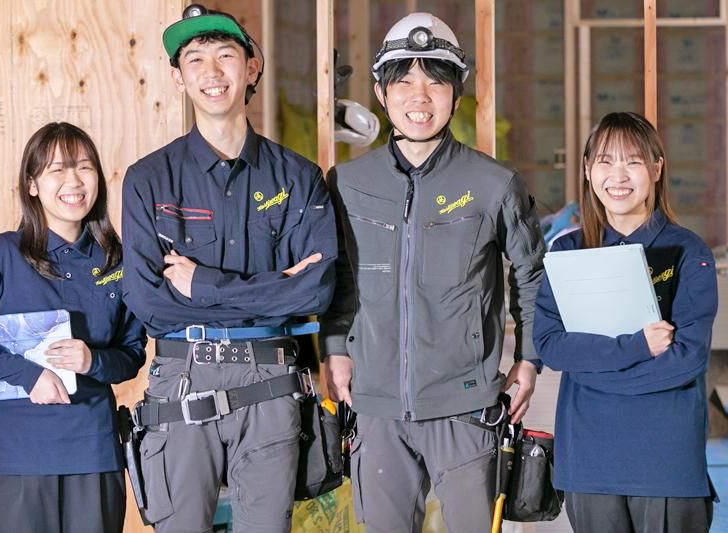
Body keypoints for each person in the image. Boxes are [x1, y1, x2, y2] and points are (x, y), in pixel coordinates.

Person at [319, 12, 546, 533]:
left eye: (435, 82)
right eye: (404, 81)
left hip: (466, 406)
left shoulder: (493, 183)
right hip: (377, 408)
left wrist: (530, 358)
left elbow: (531, 274)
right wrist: (335, 347)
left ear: (456, 96)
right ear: (381, 92)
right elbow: (341, 276)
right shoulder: (348, 183)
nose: (419, 97)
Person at [120, 4, 337, 532]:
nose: (211, 72)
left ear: (251, 67)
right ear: (178, 78)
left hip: (271, 382)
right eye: (194, 60)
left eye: (225, 55)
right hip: (181, 380)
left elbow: (314, 293)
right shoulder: (148, 179)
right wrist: (273, 287)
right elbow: (149, 304)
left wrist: (203, 285)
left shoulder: (299, 178)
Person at [0, 122, 147, 533]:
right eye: (57, 170)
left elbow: (132, 353)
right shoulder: (0, 255)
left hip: (93, 453)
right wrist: (29, 375)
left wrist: (93, 360)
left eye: (84, 167)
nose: (74, 181)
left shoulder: (117, 261)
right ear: (31, 184)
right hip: (16, 457)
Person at [533, 111, 717, 532]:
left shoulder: (688, 252)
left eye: (632, 161)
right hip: (590, 460)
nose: (618, 176)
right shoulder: (568, 252)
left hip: (666, 463)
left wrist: (592, 367)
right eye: (605, 161)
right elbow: (552, 345)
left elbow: (688, 359)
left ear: (656, 168)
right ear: (587, 169)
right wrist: (637, 347)